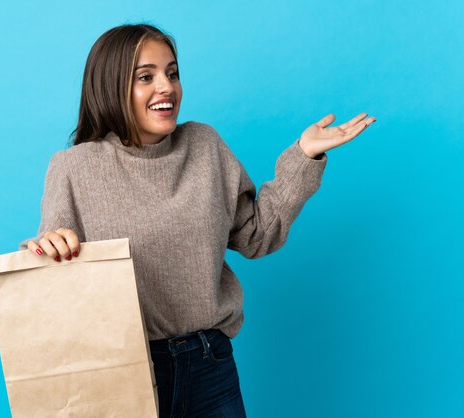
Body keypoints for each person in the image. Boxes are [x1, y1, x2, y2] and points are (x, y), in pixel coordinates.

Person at [20, 23, 375, 418]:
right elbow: (51, 266)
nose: (166, 87)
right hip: (119, 376)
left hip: (210, 368)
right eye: (146, 77)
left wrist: (303, 156)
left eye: (172, 73)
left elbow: (257, 236)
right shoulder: (73, 169)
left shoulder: (204, 146)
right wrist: (45, 247)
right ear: (110, 86)